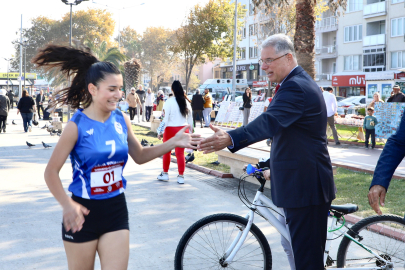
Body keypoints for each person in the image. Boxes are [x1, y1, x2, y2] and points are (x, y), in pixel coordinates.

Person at [32, 45, 200, 270]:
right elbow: (50, 172)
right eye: (112, 89)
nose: (118, 94)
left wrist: (173, 142)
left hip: (115, 209)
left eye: (120, 88)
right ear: (92, 89)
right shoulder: (76, 126)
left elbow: (139, 155)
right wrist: (67, 205)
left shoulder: (122, 120)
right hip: (82, 212)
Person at [197, 34, 335, 270]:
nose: (264, 66)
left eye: (269, 60)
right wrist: (268, 163)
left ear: (288, 57)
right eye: (262, 61)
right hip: (299, 184)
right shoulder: (293, 84)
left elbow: (269, 122)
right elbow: (290, 137)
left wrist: (231, 137)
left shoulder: (297, 87)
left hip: (306, 188)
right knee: (300, 255)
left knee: (308, 263)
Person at [157, 81, 193, 184]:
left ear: (172, 89)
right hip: (183, 129)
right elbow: (191, 120)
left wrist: (159, 131)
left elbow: (164, 119)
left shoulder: (169, 102)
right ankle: (181, 176)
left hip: (170, 130)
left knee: (166, 152)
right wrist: (191, 132)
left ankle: (165, 174)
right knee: (180, 153)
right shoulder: (186, 102)